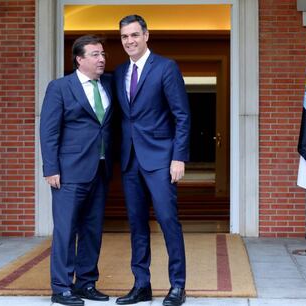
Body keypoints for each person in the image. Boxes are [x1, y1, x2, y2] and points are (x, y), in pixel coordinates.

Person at [114, 15, 190, 306]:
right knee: (136, 224)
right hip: (130, 160)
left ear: (146, 35)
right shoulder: (120, 70)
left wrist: (178, 157)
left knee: (168, 221)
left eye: (134, 35)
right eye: (124, 37)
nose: (129, 41)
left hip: (160, 158)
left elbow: (182, 115)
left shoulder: (166, 67)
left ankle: (177, 286)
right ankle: (141, 284)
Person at [40, 35, 113, 306]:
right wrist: (51, 167)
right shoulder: (60, 87)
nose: (101, 58)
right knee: (66, 230)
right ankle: (61, 287)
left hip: (100, 170)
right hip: (68, 172)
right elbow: (48, 131)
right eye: (95, 54)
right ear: (79, 59)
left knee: (92, 230)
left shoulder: (108, 84)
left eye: (102, 54)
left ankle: (86, 283)